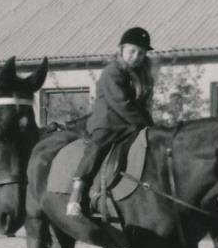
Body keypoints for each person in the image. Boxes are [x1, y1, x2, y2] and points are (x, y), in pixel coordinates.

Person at [66, 27, 155, 217]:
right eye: (132, 51)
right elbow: (121, 103)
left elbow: (143, 105)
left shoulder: (142, 76)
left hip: (131, 123)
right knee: (98, 147)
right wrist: (143, 123)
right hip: (109, 121)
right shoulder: (112, 72)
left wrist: (153, 127)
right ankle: (77, 194)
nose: (136, 56)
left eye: (141, 53)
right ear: (121, 49)